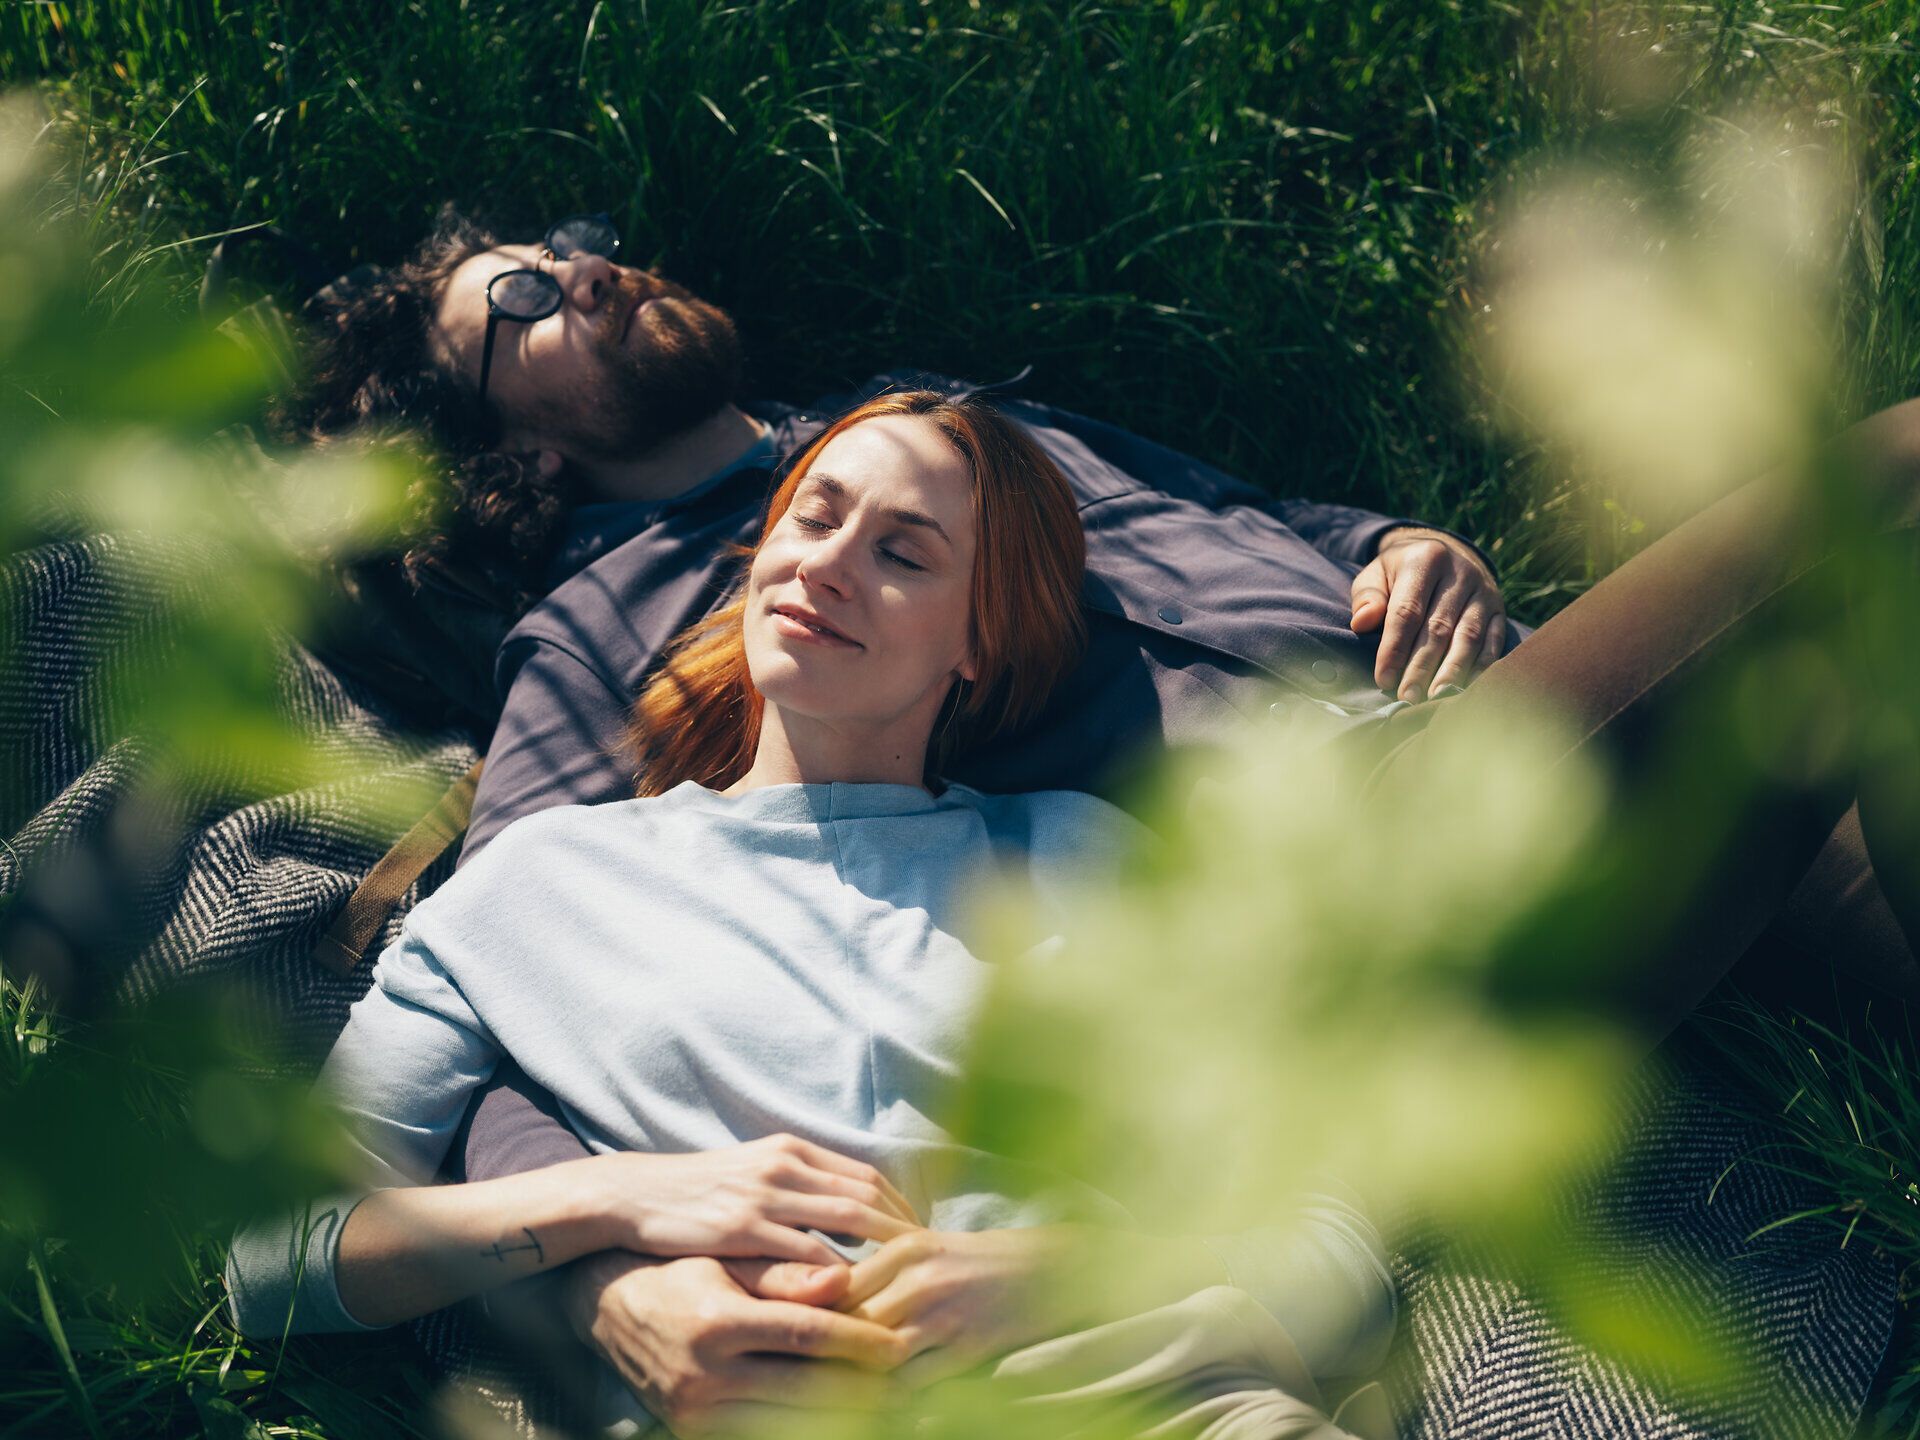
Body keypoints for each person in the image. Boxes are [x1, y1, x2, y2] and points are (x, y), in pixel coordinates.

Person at [291, 205, 1920, 1430]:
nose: (578, 267)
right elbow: (517, 989)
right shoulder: (609, 624)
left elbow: (1246, 519)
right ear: (494, 438)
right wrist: (614, 1277)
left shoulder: (927, 410)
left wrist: (1410, 541)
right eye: (516, 298)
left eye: (567, 243)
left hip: (1507, 721)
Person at [229, 393, 1399, 1438]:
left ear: (979, 640)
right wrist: (616, 1204)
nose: (827, 565)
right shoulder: (538, 880)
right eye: (814, 516)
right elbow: (274, 1259)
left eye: (904, 552)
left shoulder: (1087, 857)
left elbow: (1338, 1239)